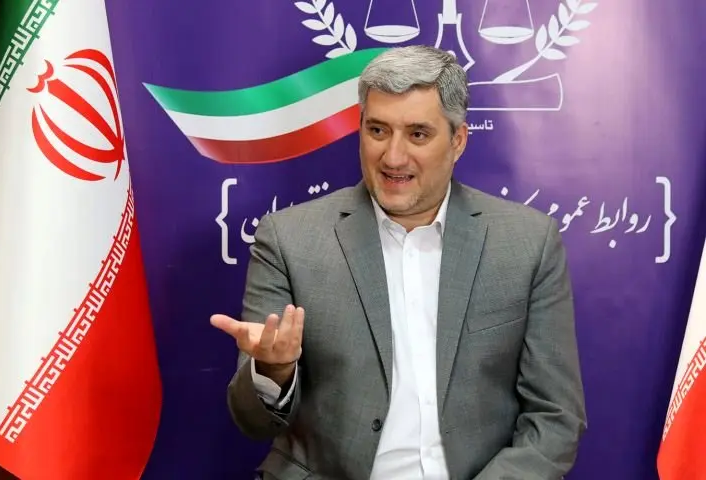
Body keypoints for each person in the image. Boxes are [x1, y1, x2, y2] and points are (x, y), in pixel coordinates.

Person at [211, 45, 587, 480]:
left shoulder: (528, 242)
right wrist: (273, 371)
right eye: (378, 130)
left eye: (418, 135)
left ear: (458, 141)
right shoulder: (288, 239)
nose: (393, 157)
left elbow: (555, 418)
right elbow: (252, 422)